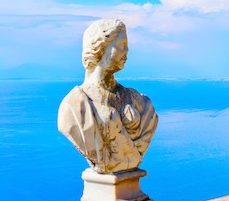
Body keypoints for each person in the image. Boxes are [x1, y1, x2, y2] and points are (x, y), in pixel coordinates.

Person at [58, 19, 158, 173]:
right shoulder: (74, 105)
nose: (127, 51)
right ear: (99, 49)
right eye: (121, 45)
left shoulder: (139, 101)